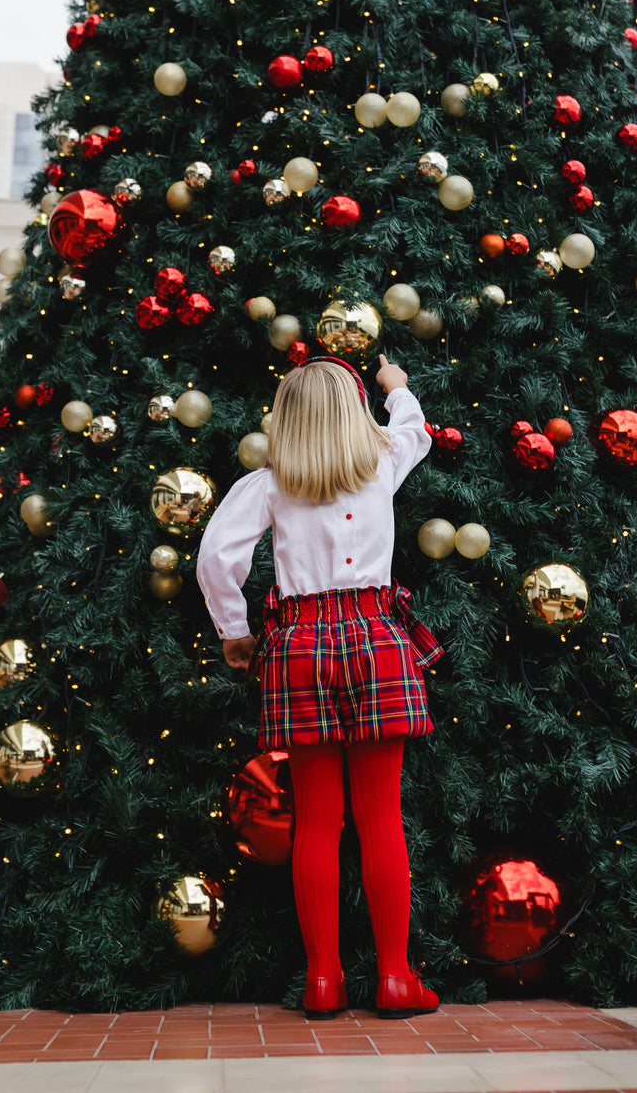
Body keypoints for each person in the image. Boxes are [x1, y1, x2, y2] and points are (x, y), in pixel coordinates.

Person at [196, 352, 443, 1020]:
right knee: (381, 817)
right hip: (375, 636)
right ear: (355, 409)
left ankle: (323, 980)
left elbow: (218, 556)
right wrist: (397, 383)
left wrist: (234, 630)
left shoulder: (269, 484)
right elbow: (416, 426)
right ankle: (395, 978)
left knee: (317, 822)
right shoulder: (383, 459)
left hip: (299, 644)